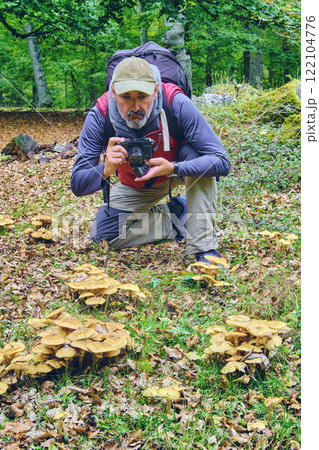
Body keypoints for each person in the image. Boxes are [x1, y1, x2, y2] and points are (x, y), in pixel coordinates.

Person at [71, 56, 230, 263]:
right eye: (126, 97)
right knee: (104, 235)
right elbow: (77, 183)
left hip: (177, 170)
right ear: (113, 92)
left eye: (143, 96)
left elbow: (220, 161)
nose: (135, 107)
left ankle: (205, 249)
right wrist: (105, 168)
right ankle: (178, 217)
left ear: (155, 91)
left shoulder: (177, 103)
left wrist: (174, 167)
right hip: (136, 183)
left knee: (198, 155)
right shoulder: (99, 116)